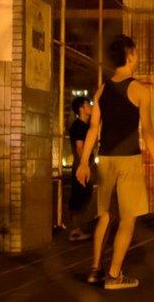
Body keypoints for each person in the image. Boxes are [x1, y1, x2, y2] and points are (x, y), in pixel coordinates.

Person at [77, 35, 154, 290]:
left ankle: (95, 270)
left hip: (105, 159)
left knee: (105, 215)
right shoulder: (139, 89)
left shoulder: (102, 90)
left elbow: (93, 128)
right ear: (130, 54)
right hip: (128, 160)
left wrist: (84, 162)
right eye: (135, 53)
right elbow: (146, 130)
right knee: (128, 218)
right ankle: (114, 275)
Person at [67, 97, 95, 242]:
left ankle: (78, 229)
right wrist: (83, 166)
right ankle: (75, 231)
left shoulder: (85, 125)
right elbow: (79, 147)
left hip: (85, 166)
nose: (90, 106)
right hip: (81, 167)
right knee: (80, 196)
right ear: (81, 109)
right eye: (87, 104)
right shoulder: (78, 126)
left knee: (85, 195)